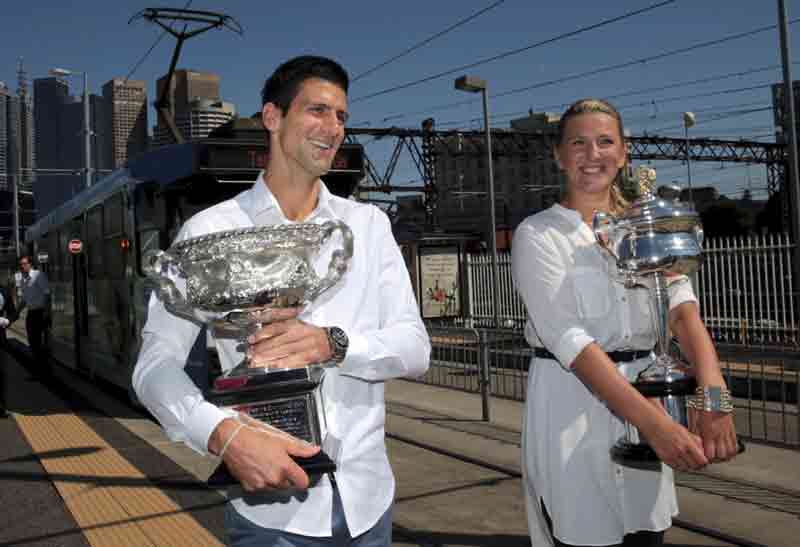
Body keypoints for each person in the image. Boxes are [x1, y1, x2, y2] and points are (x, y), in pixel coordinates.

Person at [133, 55, 430, 547]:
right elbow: (153, 367)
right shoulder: (210, 231)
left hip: (368, 504)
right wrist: (223, 436)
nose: (332, 128)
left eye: (341, 116)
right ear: (272, 117)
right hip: (272, 518)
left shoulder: (367, 226)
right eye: (316, 110)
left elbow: (416, 348)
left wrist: (330, 345)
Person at [511, 98, 739, 547]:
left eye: (604, 142)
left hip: (649, 400)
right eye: (578, 143)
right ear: (559, 155)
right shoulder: (538, 235)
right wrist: (654, 426)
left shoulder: (646, 227)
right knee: (582, 533)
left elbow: (682, 310)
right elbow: (570, 341)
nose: (592, 154)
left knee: (645, 535)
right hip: (570, 407)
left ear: (623, 152)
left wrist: (715, 396)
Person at [14, 255, 51, 372]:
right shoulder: (23, 280)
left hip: (40, 312)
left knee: (37, 340)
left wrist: (46, 312)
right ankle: (39, 364)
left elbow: (47, 294)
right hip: (31, 313)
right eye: (21, 264)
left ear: (30, 264)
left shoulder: (38, 276)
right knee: (31, 339)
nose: (22, 266)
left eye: (24, 264)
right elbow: (24, 300)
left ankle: (41, 366)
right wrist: (17, 312)